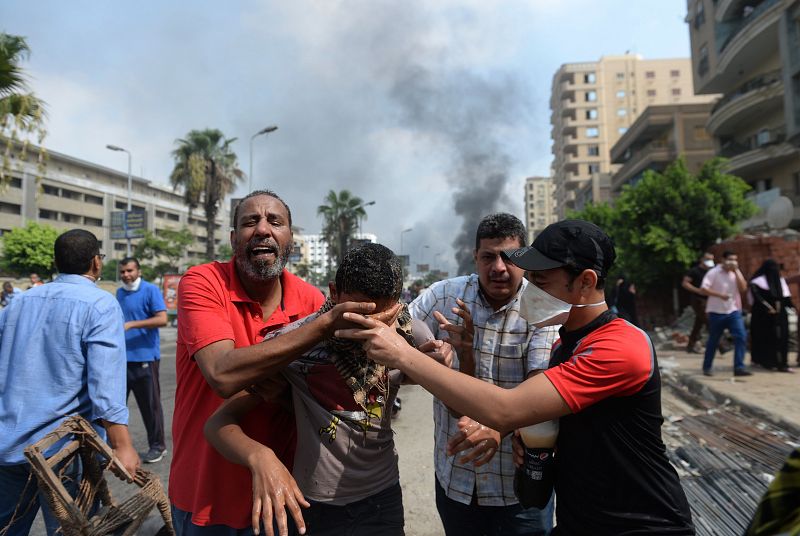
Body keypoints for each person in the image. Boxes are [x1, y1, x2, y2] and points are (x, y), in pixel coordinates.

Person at [337, 220, 695, 535]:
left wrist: (402, 355)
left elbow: (507, 409)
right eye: (531, 278)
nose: (529, 289)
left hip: (640, 523)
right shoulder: (568, 344)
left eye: (541, 281)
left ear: (585, 282)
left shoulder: (619, 347)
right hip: (582, 519)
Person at [170, 190, 399, 535]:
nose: (262, 229)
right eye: (250, 221)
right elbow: (222, 374)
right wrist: (323, 325)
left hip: (288, 498)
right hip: (207, 496)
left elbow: (323, 403)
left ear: (290, 239)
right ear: (233, 239)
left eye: (275, 221)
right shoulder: (203, 282)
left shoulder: (310, 300)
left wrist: (281, 396)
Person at [206, 243, 441, 536]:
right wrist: (259, 457)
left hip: (383, 497)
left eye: (383, 319)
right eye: (357, 316)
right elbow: (217, 423)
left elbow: (453, 399)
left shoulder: (408, 334)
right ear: (334, 293)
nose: (371, 331)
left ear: (397, 304)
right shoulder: (294, 344)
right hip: (315, 505)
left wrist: (443, 362)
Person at [409, 213, 557, 536]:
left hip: (519, 489)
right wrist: (428, 347)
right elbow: (401, 323)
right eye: (489, 257)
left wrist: (498, 426)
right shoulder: (444, 296)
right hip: (457, 482)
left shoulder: (542, 308)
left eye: (510, 257)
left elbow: (540, 391)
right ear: (475, 256)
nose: (499, 267)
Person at [0, 229, 139, 536]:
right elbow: (105, 386)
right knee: (72, 531)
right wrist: (122, 445)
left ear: (57, 262)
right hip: (62, 451)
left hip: (8, 444)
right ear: (96, 262)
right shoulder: (100, 304)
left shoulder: (18, 303)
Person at [116, 257, 169, 463]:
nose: (126, 275)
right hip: (122, 360)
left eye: (130, 270)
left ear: (138, 271)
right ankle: (116, 448)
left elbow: (162, 319)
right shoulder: (120, 293)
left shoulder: (150, 290)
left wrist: (131, 325)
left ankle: (158, 446)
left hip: (146, 357)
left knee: (150, 406)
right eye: (123, 272)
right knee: (117, 407)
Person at [699, 250, 751, 377]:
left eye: (735, 260)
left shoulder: (735, 273)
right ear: (723, 260)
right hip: (716, 312)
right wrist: (720, 295)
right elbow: (704, 289)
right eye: (730, 259)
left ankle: (739, 367)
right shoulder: (714, 272)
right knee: (714, 340)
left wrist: (736, 270)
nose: (733, 262)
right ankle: (707, 367)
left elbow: (743, 288)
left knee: (741, 336)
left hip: (733, 310)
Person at [748, 259, 794, 372]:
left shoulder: (780, 281)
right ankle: (767, 362)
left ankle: (782, 363)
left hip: (780, 315)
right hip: (763, 316)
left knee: (782, 337)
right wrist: (768, 308)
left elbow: (786, 298)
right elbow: (757, 299)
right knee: (766, 339)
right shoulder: (757, 282)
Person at [682, 252, 715, 353]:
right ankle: (722, 345)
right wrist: (698, 291)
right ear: (702, 259)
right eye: (708, 259)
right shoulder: (694, 271)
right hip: (697, 300)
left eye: (711, 259)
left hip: (708, 300)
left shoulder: (711, 272)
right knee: (709, 322)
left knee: (698, 324)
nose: (710, 261)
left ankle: (690, 346)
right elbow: (685, 283)